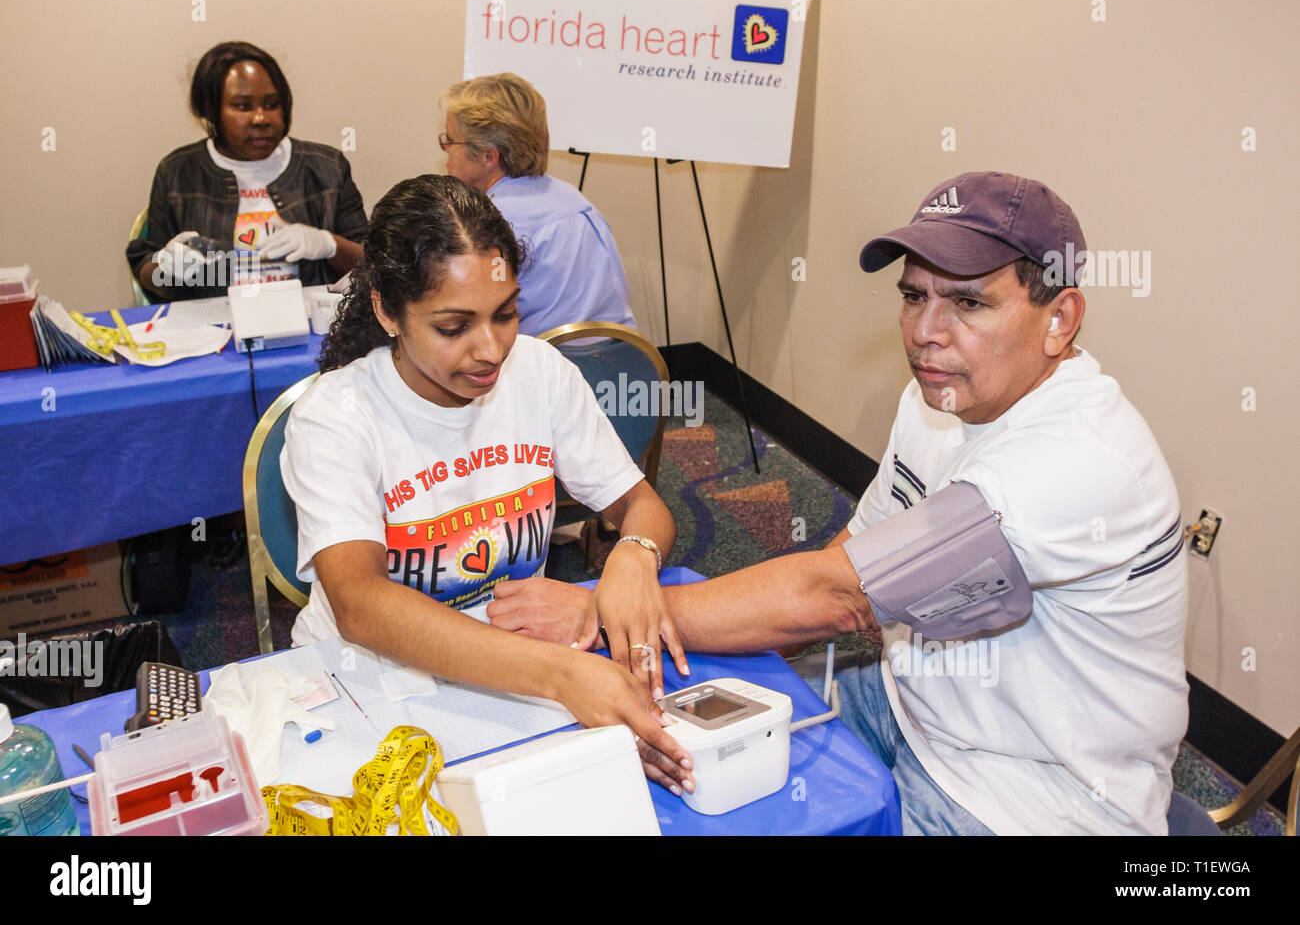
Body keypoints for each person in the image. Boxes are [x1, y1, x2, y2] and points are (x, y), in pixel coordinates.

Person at [491, 171, 1189, 834]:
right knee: (655, 759)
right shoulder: (937, 398)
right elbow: (847, 557)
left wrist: (603, 612)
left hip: (1027, 794)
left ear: (1059, 318)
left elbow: (841, 598)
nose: (924, 331)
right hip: (907, 705)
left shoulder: (1079, 461)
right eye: (915, 297)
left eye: (969, 303)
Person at [280, 174, 693, 788]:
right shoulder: (337, 417)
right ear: (387, 311)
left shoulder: (539, 371)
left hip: (515, 664)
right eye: (454, 327)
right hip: (370, 678)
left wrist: (634, 554)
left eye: (505, 314)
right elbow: (361, 608)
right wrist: (557, 675)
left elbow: (641, 505)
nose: (491, 350)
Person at [126, 41, 367, 302]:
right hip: (213, 327)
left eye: (272, 105)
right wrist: (168, 269)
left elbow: (373, 263)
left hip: (312, 323)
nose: (261, 118)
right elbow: (147, 268)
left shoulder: (326, 167)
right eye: (243, 107)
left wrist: (328, 244)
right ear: (210, 111)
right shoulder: (178, 172)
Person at [440, 72, 636, 335]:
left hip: (542, 370)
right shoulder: (579, 204)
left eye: (450, 140)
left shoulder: (484, 225)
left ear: (488, 156)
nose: (446, 150)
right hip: (620, 363)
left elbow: (462, 323)